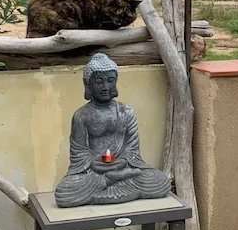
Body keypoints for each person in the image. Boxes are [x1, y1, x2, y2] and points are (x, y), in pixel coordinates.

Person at [54, 53, 170, 207]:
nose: (105, 87)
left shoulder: (126, 111)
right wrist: (94, 164)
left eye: (110, 80)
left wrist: (121, 162)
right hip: (95, 170)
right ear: (88, 83)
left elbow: (132, 150)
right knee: (64, 192)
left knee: (160, 181)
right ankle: (109, 179)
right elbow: (79, 153)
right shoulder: (81, 116)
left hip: (123, 167)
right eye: (99, 81)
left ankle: (114, 178)